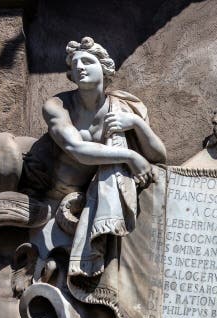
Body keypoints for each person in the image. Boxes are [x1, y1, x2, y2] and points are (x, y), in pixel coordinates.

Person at [42, 36, 166, 276]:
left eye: (87, 61)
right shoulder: (58, 106)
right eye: (75, 64)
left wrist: (137, 124)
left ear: (105, 69)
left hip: (100, 195)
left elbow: (159, 156)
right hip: (57, 197)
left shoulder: (125, 106)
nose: (79, 67)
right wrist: (129, 156)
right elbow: (77, 150)